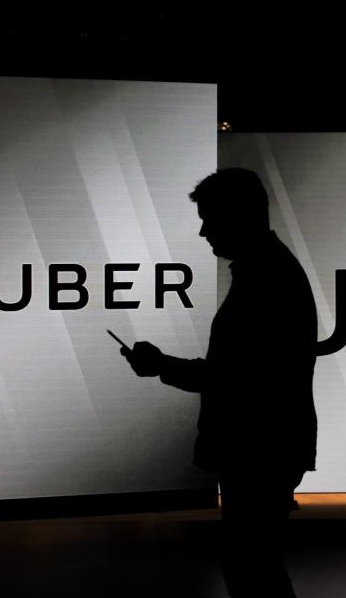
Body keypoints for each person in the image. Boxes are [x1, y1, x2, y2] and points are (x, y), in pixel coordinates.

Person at [121, 168, 317, 598]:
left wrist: (161, 366)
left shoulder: (265, 279)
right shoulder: (269, 272)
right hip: (269, 447)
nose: (204, 231)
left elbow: (236, 378)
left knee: (251, 569)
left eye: (210, 217)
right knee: (255, 566)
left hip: (259, 449)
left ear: (239, 215)